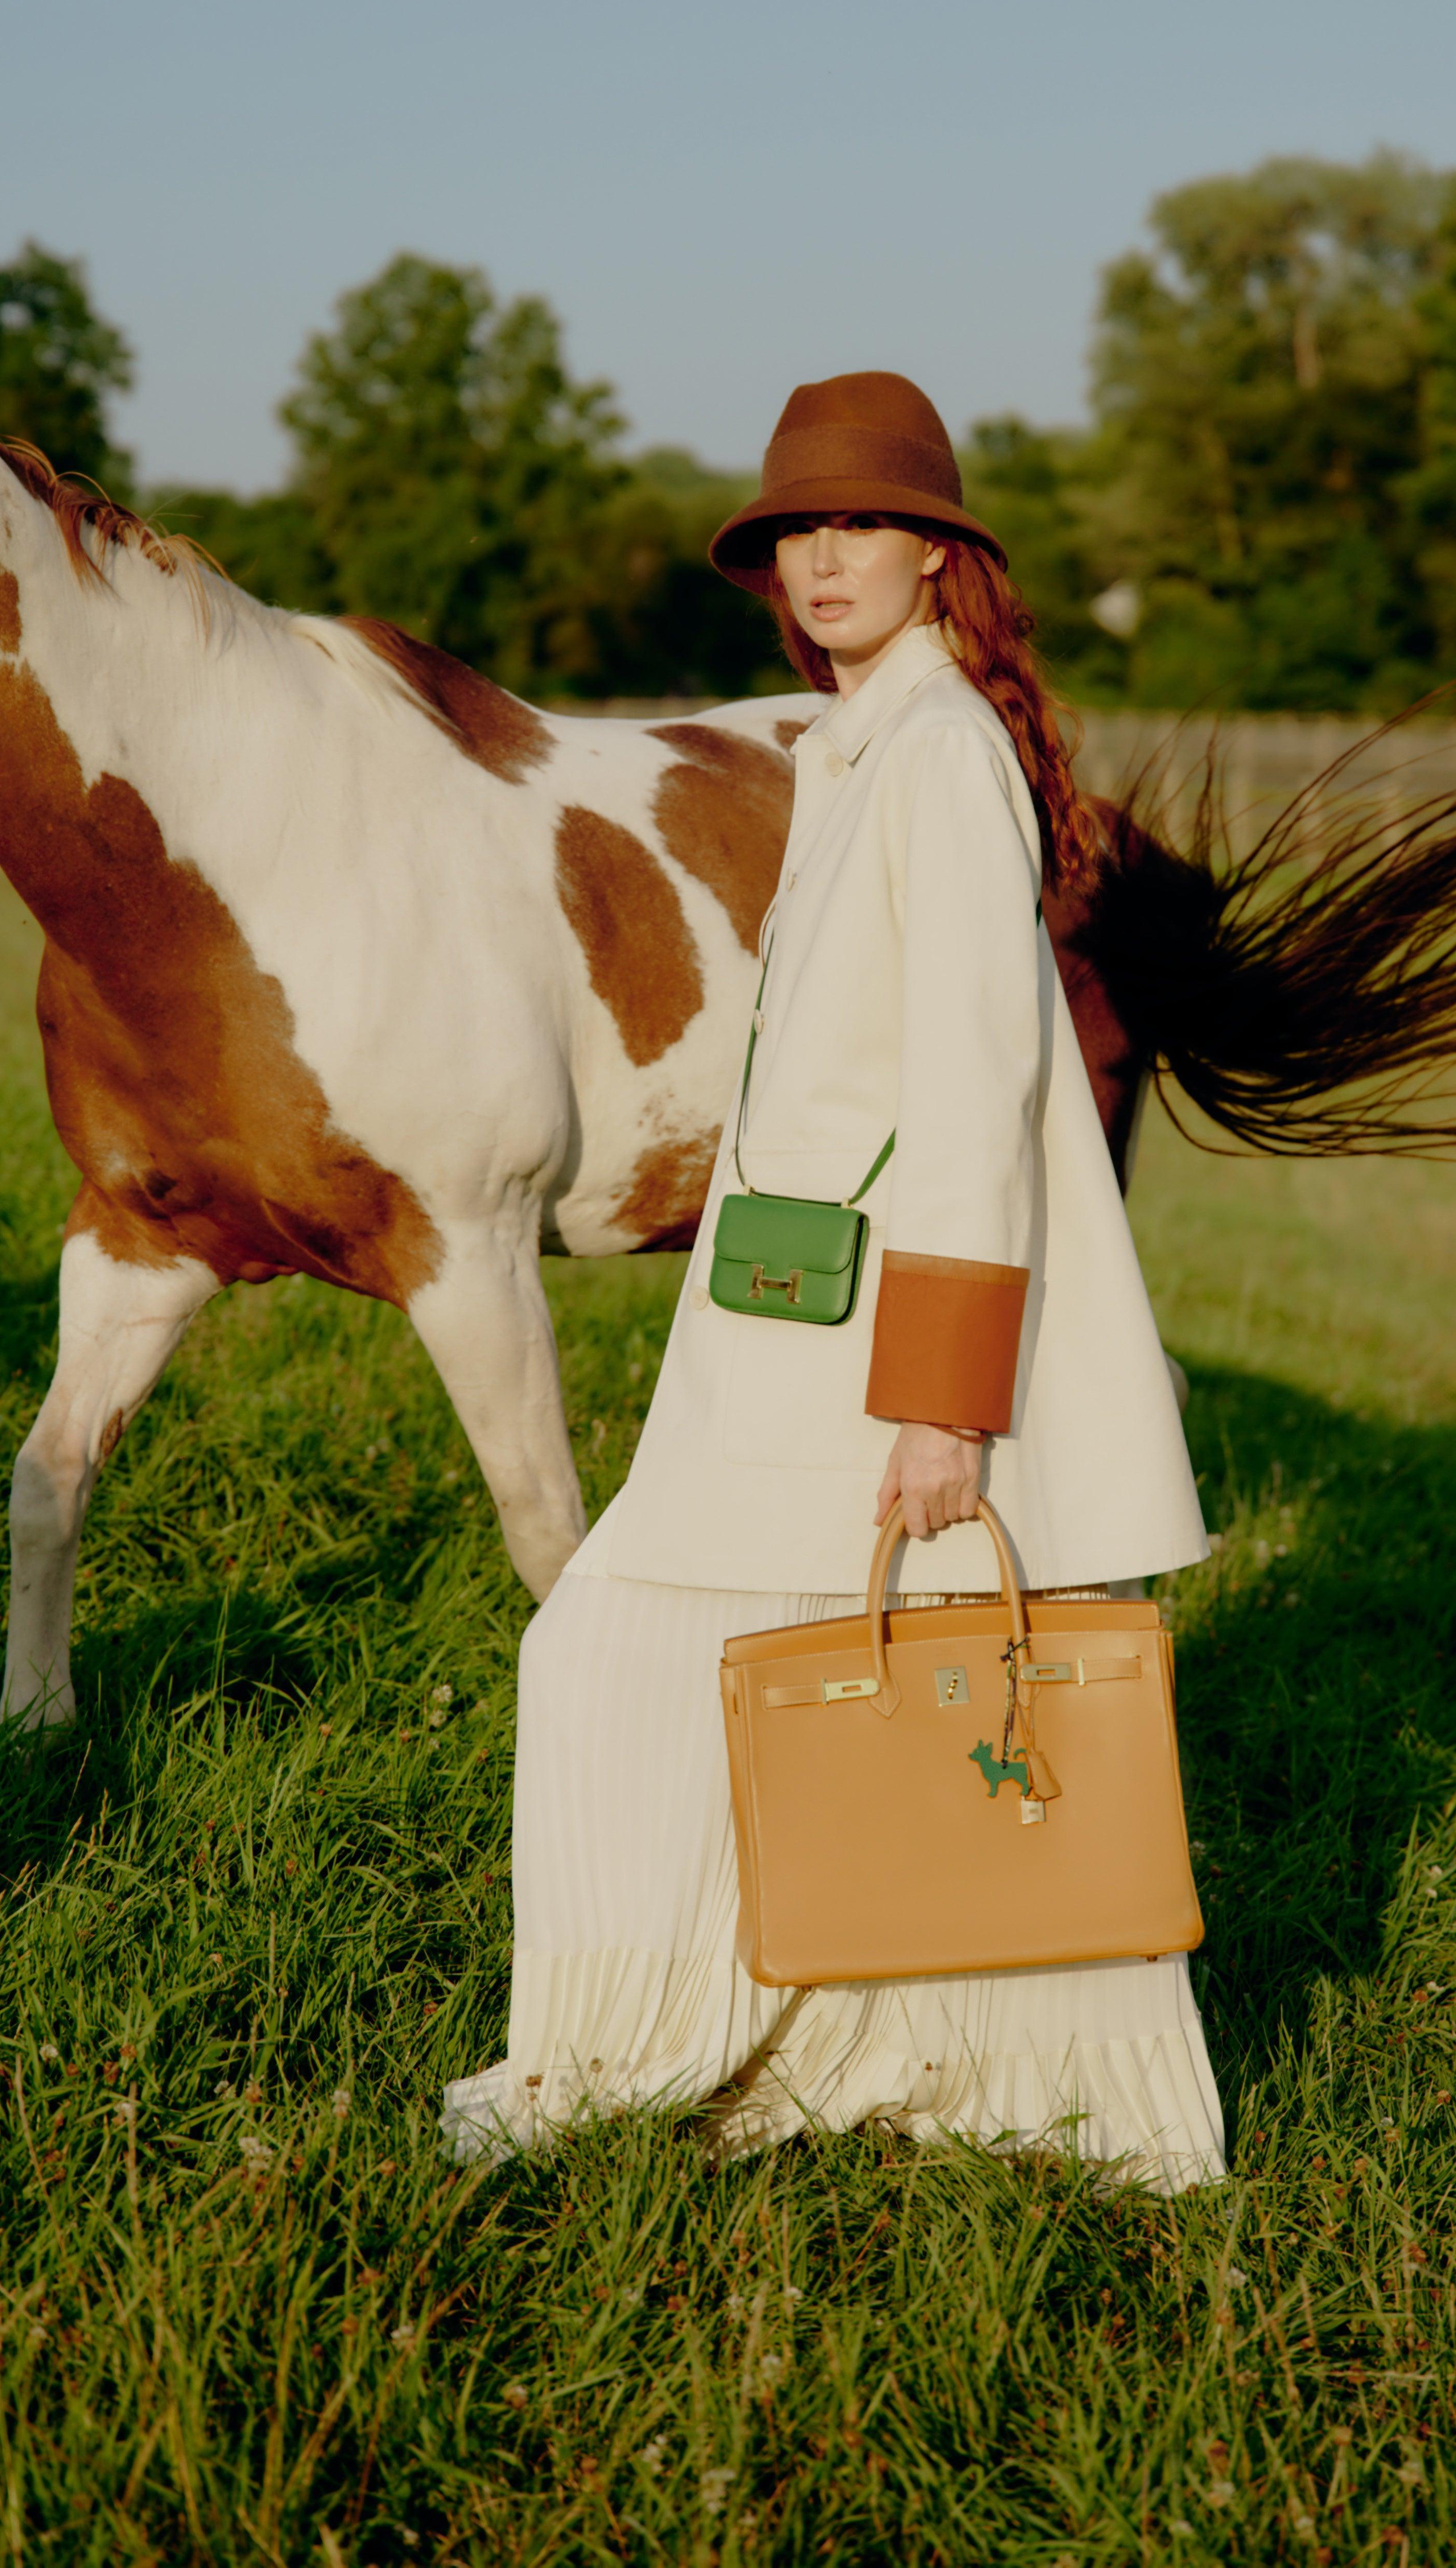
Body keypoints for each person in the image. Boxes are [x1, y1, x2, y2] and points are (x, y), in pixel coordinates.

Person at [442, 372, 1228, 2191]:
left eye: (862, 522)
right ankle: (826, 2039)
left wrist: (947, 1398)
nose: (821, 558)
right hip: (798, 1326)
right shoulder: (866, 744)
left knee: (612, 1657)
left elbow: (978, 1088)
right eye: (796, 529)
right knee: (793, 1682)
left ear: (944, 551)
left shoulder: (942, 755)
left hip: (880, 1352)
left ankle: (623, 2057)